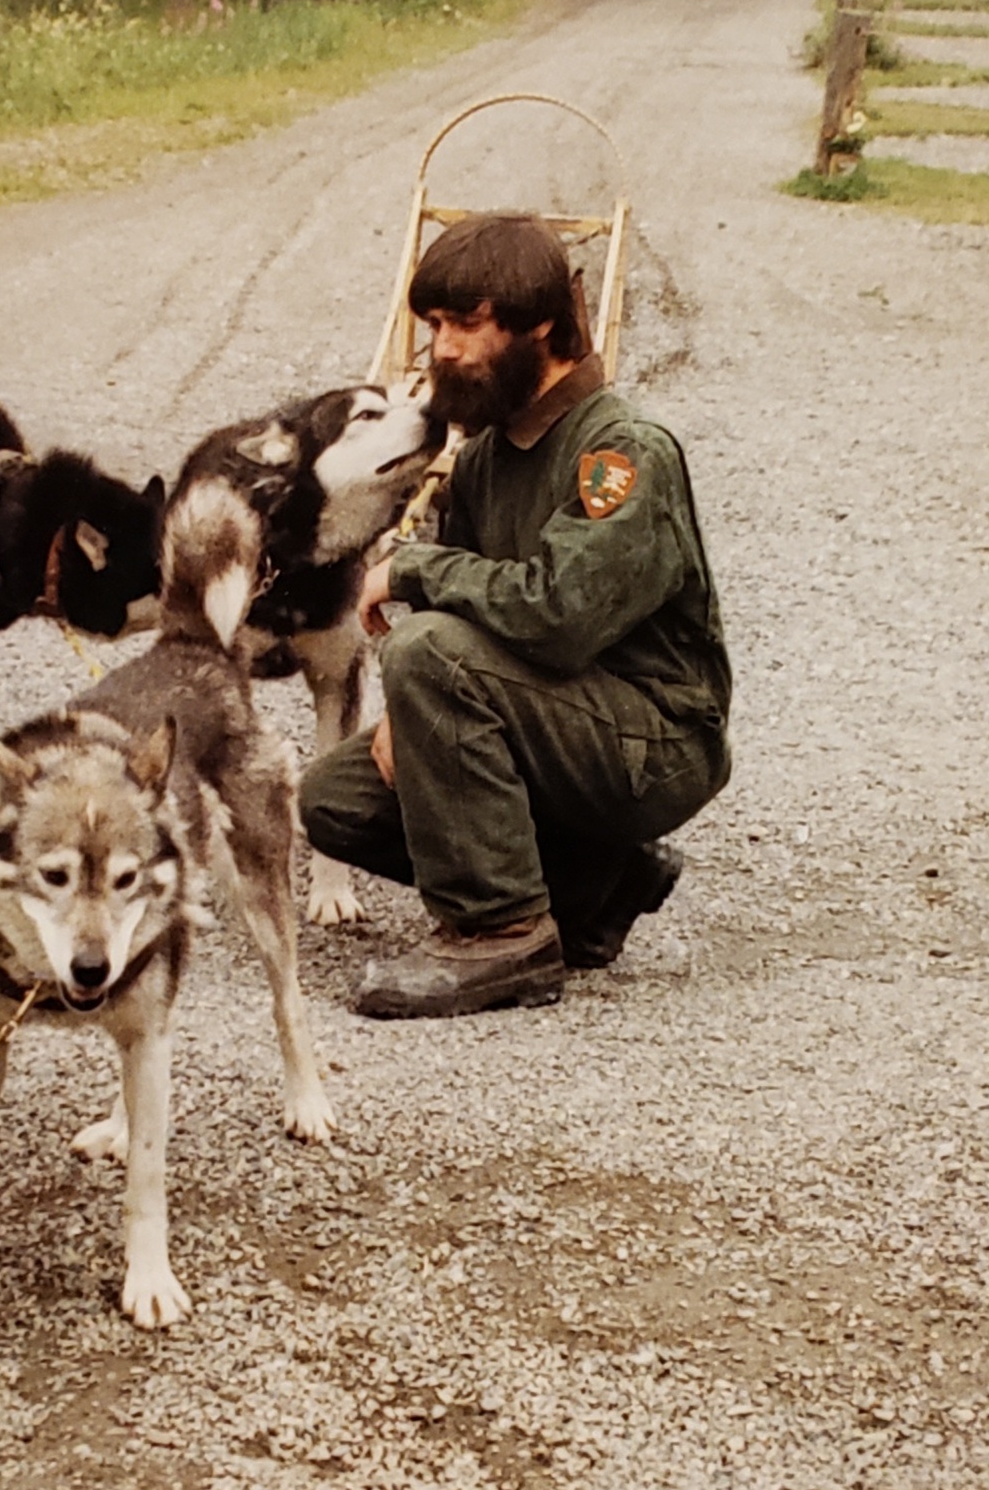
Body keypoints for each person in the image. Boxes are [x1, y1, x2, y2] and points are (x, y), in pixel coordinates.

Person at [298, 213, 731, 1019]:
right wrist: (408, 721)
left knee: (430, 649)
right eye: (433, 324)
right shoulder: (490, 457)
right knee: (334, 798)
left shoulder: (620, 452)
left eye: (466, 323)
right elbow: (453, 623)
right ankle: (598, 885)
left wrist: (415, 567)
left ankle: (501, 934)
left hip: (655, 740)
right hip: (551, 718)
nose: (442, 349)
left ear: (541, 323)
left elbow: (559, 615)